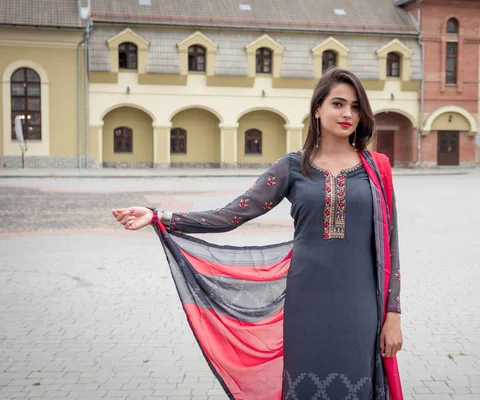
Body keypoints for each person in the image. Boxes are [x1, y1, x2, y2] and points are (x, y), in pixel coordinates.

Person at [112, 67, 404, 400]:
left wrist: (393, 313)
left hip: (361, 305)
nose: (347, 114)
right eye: (338, 104)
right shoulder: (294, 166)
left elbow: (391, 246)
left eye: (355, 106)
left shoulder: (377, 168)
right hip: (306, 301)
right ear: (318, 108)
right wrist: (159, 216)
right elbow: (233, 214)